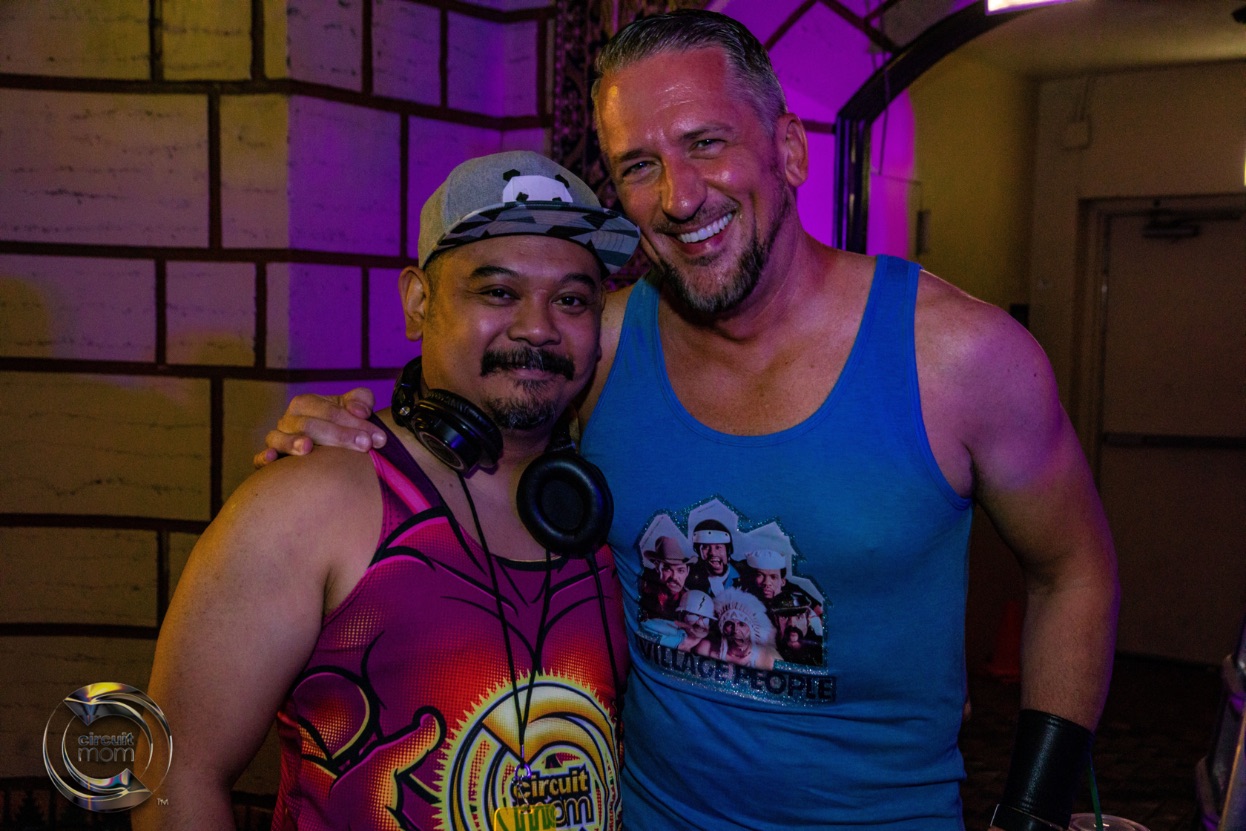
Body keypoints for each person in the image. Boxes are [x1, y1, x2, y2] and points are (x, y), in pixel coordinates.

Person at [257, 10, 1119, 831]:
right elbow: (468, 404)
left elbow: (1073, 570)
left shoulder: (963, 358)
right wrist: (341, 432)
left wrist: (1034, 809)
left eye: (706, 143)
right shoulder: (599, 344)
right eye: (639, 165)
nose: (679, 195)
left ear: (788, 149)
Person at [133, 151, 640, 830]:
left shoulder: (606, 500)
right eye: (498, 292)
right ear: (418, 302)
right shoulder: (311, 502)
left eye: (572, 299)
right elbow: (174, 771)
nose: (539, 327)